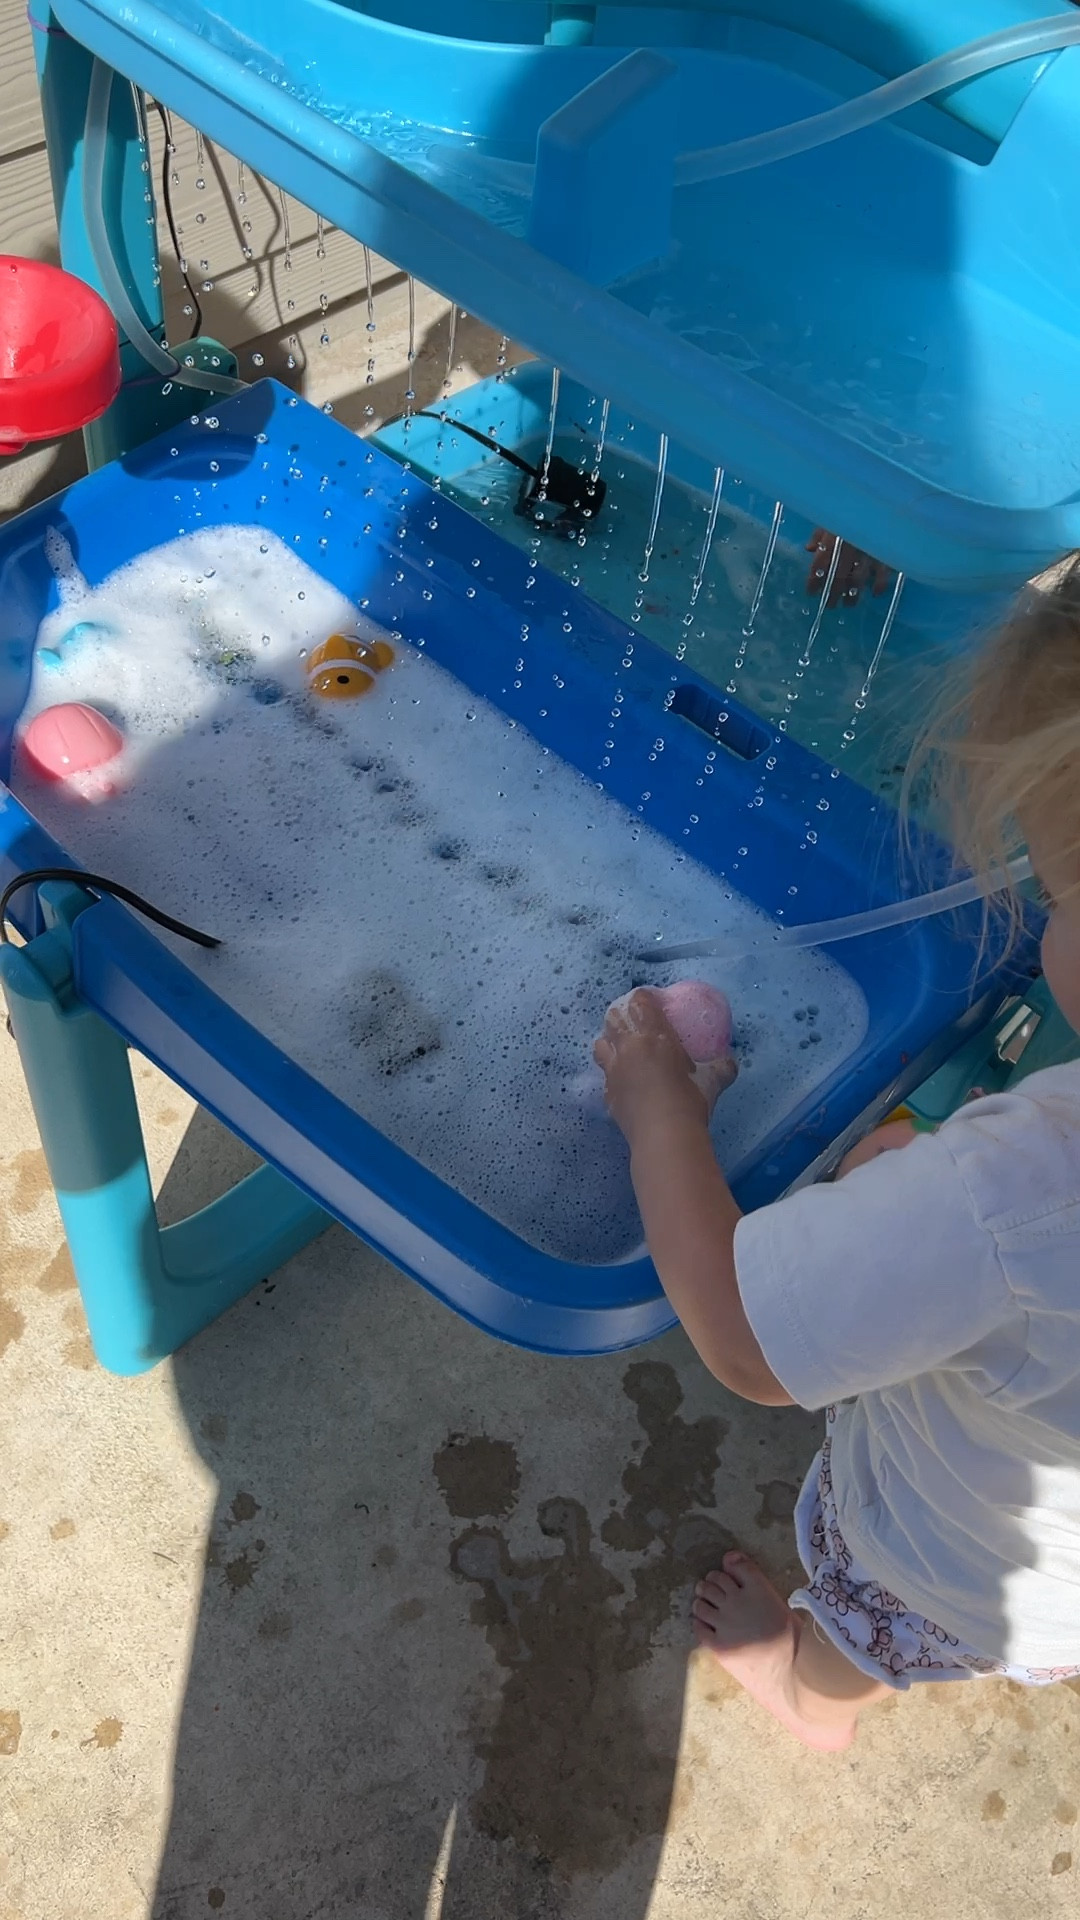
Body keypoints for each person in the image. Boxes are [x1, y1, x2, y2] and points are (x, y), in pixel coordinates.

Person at [594, 556, 1080, 1751]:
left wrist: (662, 1112)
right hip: (1059, 1568)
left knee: (881, 1618)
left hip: (957, 1544)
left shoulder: (1017, 1192)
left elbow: (750, 1343)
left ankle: (812, 1689)